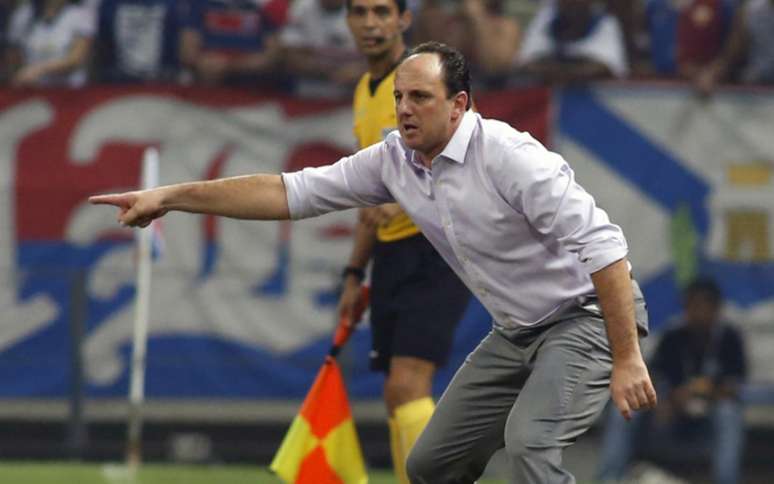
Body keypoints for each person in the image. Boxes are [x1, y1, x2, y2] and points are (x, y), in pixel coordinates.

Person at [90, 41, 657, 483]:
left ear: (460, 105)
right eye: (400, 98)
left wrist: (627, 356)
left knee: (531, 441)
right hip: (517, 331)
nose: (405, 111)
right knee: (430, 465)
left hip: (589, 317)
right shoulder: (393, 160)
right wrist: (169, 197)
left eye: (421, 99)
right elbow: (287, 193)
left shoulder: (511, 157)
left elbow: (607, 249)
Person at [339, 2, 470, 483]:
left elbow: (467, 163)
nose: (370, 23)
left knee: (408, 385)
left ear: (403, 20)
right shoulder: (366, 90)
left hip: (436, 247)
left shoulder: (424, 82)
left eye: (382, 11)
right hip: (391, 255)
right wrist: (355, 272)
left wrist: (410, 203)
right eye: (360, 12)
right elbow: (370, 192)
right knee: (397, 394)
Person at [597, 277, 747, 484]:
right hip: (671, 408)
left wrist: (703, 392)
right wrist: (667, 399)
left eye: (704, 306)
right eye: (692, 306)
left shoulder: (729, 338)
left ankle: (726, 480)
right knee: (626, 408)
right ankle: (610, 478)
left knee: (729, 413)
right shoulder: (674, 336)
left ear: (716, 309)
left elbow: (735, 386)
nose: (697, 313)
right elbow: (653, 377)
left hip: (710, 409)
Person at [178, 0, 287, 86]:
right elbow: (187, 52)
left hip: (255, 88)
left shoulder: (269, 5)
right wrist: (203, 63)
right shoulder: (200, 3)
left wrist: (229, 66)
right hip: (207, 83)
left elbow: (273, 57)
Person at [518, 0, 629, 84]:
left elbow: (606, 67)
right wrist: (562, 72)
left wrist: (564, 73)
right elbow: (526, 64)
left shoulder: (606, 22)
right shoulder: (545, 19)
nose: (571, 3)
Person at [279, 0, 363, 98]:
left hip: (357, 96)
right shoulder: (302, 6)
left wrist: (362, 71)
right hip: (309, 95)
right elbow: (289, 54)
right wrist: (330, 72)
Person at [5, 0, 95, 87]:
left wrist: (39, 70)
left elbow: (76, 58)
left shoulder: (81, 15)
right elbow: (13, 55)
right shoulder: (24, 14)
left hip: (69, 90)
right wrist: (19, 75)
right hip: (30, 88)